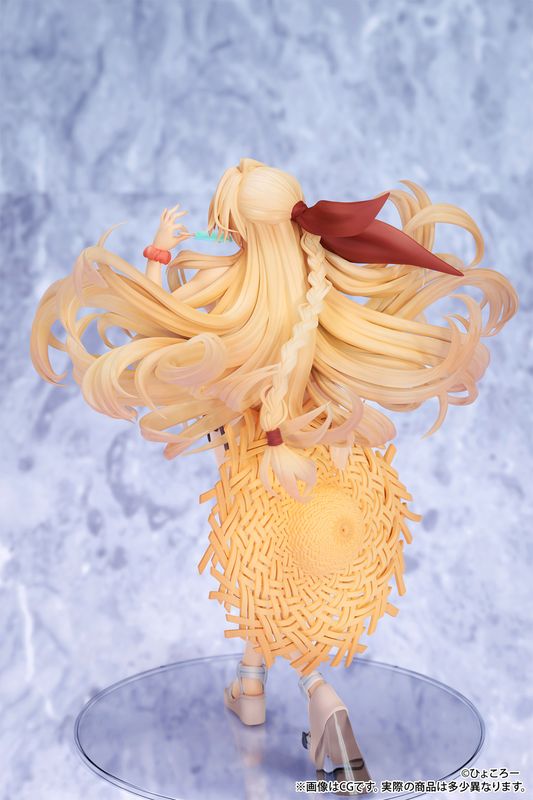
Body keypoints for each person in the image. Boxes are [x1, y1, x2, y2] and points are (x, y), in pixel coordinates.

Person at [30, 158, 518, 786]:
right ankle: (251, 686)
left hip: (252, 458)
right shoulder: (320, 286)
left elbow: (156, 321)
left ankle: (320, 695)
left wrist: (160, 248)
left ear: (240, 226)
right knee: (266, 577)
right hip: (314, 460)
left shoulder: (225, 282)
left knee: (260, 574)